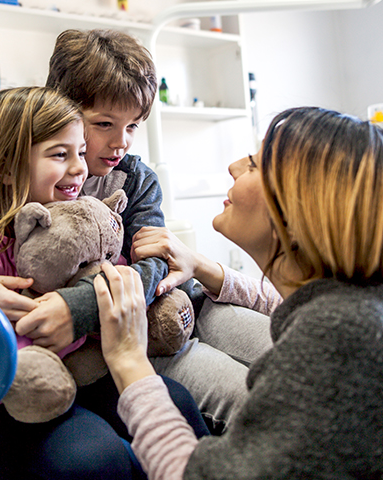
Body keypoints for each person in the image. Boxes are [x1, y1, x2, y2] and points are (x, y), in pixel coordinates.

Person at [94, 106, 383, 480]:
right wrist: (204, 267)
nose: (233, 166)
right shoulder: (376, 307)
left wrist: (128, 359)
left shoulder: (340, 337)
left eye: (253, 164)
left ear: (300, 211)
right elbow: (284, 304)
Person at [0, 86, 208, 480]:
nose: (79, 168)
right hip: (7, 398)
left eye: (80, 152)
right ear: (6, 167)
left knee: (177, 402)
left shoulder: (71, 221)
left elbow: (114, 268)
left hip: (80, 369)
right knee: (93, 458)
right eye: (59, 154)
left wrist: (86, 307)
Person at [44, 28, 279, 433]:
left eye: (134, 125)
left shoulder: (134, 179)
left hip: (192, 305)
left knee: (298, 356)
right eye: (104, 123)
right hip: (139, 337)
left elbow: (155, 262)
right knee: (255, 402)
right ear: (60, 110)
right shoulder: (39, 176)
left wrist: (78, 305)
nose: (122, 142)